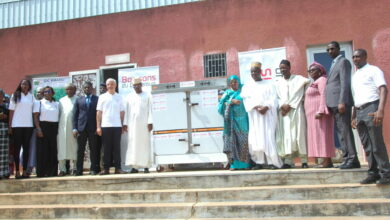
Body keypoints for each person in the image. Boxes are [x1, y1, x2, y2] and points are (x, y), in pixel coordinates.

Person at [351, 49, 390, 184]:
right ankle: (373, 173)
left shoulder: (373, 70)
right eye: (354, 57)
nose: (355, 59)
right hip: (359, 110)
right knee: (366, 145)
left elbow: (383, 89)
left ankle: (386, 173)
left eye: (358, 56)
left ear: (365, 57)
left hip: (372, 108)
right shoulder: (355, 75)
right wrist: (354, 116)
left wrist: (380, 109)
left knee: (376, 143)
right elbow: (357, 97)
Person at [241, 62, 283, 169]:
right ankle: (259, 162)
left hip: (267, 115)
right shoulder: (247, 86)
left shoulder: (269, 84)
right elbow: (246, 100)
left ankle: (271, 162)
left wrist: (266, 107)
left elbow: (274, 99)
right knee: (256, 139)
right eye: (252, 72)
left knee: (268, 138)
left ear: (261, 72)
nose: (254, 73)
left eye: (256, 71)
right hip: (255, 116)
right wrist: (256, 107)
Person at [325, 41, 360, 169]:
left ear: (339, 49)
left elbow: (344, 83)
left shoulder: (343, 62)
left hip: (340, 103)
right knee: (341, 132)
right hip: (333, 103)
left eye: (332, 49)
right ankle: (346, 158)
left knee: (345, 131)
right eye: (328, 50)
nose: (330, 51)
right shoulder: (334, 63)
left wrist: (342, 101)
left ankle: (353, 159)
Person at [275, 60, 310, 168]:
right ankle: (288, 161)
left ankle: (304, 160)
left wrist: (290, 105)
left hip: (296, 110)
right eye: (281, 68)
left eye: (284, 67)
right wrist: (282, 105)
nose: (283, 70)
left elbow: (308, 83)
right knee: (287, 136)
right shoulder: (277, 82)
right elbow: (276, 97)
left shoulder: (298, 79)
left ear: (289, 68)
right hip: (284, 112)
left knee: (299, 135)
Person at [305, 62, 335, 168]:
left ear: (320, 71)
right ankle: (324, 160)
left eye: (313, 70)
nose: (310, 72)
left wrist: (321, 110)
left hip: (320, 115)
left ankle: (327, 161)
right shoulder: (314, 82)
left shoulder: (322, 80)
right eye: (309, 71)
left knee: (323, 136)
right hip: (312, 116)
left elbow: (323, 94)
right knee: (317, 137)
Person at [218, 75, 251, 170]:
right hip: (231, 122)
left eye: (235, 81)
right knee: (232, 142)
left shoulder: (243, 92)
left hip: (243, 121)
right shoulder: (227, 93)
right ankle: (234, 165)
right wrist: (231, 101)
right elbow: (221, 106)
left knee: (244, 141)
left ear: (238, 82)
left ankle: (245, 164)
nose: (233, 83)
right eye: (231, 82)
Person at [123, 78, 153, 173]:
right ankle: (134, 167)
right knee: (133, 145)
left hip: (144, 125)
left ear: (141, 85)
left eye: (138, 85)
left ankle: (146, 166)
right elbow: (126, 111)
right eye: (134, 86)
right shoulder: (129, 96)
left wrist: (150, 122)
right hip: (132, 125)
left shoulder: (147, 95)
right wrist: (125, 124)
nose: (136, 87)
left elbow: (150, 110)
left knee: (144, 145)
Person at [96, 78, 126, 175]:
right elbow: (99, 112)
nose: (110, 86)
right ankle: (106, 169)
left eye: (112, 84)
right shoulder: (102, 97)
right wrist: (98, 127)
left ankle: (118, 168)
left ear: (115, 85)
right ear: (106, 86)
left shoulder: (120, 97)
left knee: (117, 148)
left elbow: (122, 112)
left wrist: (121, 125)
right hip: (105, 126)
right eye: (108, 84)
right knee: (106, 148)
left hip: (117, 126)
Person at [8, 79, 36, 179]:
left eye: (26, 84)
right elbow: (11, 111)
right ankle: (17, 172)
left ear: (29, 86)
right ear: (20, 85)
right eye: (23, 84)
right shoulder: (15, 95)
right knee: (17, 149)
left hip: (28, 126)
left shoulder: (31, 96)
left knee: (26, 149)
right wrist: (10, 126)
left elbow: (34, 112)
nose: (24, 85)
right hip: (16, 126)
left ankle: (24, 171)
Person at [73, 82, 100, 175]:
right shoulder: (79, 100)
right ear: (83, 89)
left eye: (88, 87)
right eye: (85, 88)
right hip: (81, 128)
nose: (87, 89)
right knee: (80, 150)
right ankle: (79, 170)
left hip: (93, 129)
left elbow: (99, 114)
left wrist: (98, 127)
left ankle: (93, 169)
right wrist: (74, 128)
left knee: (93, 149)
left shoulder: (97, 99)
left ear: (92, 88)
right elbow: (75, 115)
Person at [33, 86, 60, 177]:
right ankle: (41, 172)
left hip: (54, 128)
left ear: (52, 93)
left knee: (52, 150)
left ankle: (52, 172)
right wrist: (38, 129)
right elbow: (36, 117)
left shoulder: (57, 104)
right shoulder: (39, 103)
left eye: (48, 91)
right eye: (44, 92)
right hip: (43, 127)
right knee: (42, 151)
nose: (46, 93)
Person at [57, 84, 78, 176]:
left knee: (74, 148)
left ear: (74, 90)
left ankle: (75, 168)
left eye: (70, 89)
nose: (68, 91)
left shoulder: (78, 99)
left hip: (73, 129)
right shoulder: (61, 101)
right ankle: (62, 169)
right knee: (61, 148)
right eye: (67, 89)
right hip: (62, 128)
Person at [26, 87, 44, 175]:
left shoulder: (46, 103)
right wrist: (37, 128)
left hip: (45, 129)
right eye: (37, 92)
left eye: (40, 92)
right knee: (32, 149)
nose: (38, 94)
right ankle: (29, 168)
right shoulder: (33, 103)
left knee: (42, 150)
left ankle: (40, 168)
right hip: (34, 129)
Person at [0, 89, 10, 179]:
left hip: (4, 130)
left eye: (1, 95)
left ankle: (4, 172)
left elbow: (9, 118)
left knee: (4, 152)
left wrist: (5, 116)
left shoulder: (6, 106)